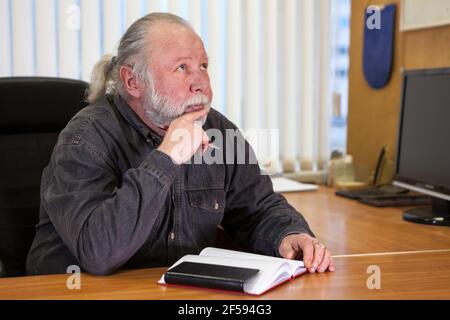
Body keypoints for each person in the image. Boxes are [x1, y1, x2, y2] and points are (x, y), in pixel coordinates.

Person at [26, 13, 334, 276]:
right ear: (133, 82)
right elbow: (98, 252)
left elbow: (257, 208)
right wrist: (166, 158)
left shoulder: (218, 130)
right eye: (182, 68)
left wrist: (288, 233)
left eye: (203, 66)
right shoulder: (85, 138)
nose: (201, 82)